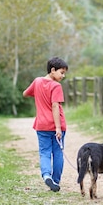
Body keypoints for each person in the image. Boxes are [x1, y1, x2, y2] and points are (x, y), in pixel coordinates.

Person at [23, 57, 68, 192]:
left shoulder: (37, 82)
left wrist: (40, 96)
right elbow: (55, 106)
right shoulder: (56, 86)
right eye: (61, 72)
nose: (63, 76)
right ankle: (55, 180)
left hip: (41, 125)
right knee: (58, 153)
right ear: (52, 70)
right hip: (56, 125)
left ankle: (46, 176)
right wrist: (58, 127)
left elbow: (25, 93)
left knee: (44, 153)